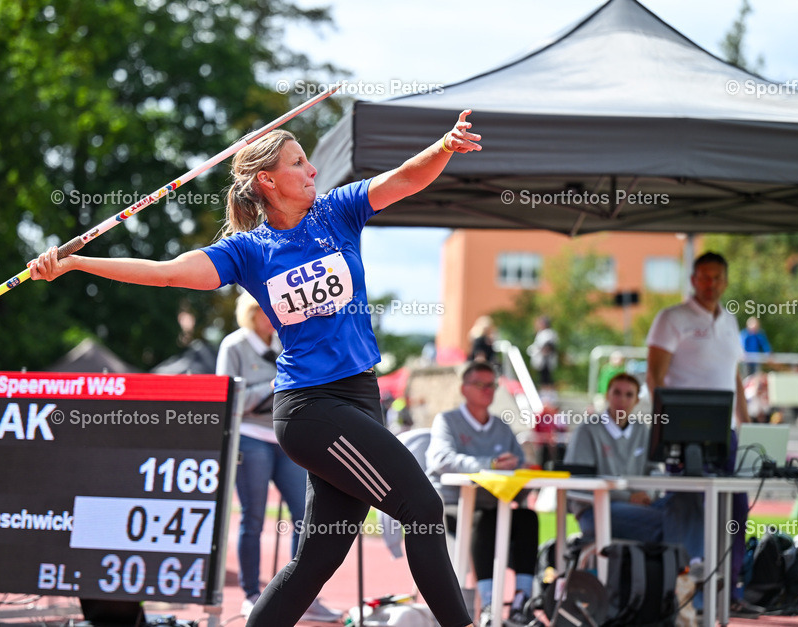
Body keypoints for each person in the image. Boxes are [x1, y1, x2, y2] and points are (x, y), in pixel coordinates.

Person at [30, 111, 483, 627]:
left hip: (361, 398)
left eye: (309, 161)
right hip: (311, 408)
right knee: (422, 507)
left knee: (316, 559)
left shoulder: (338, 212)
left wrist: (445, 145)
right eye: (299, 163)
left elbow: (404, 178)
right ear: (267, 180)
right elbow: (168, 275)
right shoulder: (248, 250)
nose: (313, 170)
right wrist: (78, 263)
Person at [646, 251, 760, 615]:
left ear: (725, 281)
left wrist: (748, 424)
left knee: (737, 507)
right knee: (690, 509)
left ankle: (729, 588)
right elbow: (655, 378)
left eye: (717, 277)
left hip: (724, 433)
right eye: (704, 277)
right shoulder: (671, 318)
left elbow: (735, 378)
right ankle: (685, 595)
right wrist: (666, 428)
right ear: (693, 280)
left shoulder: (730, 320)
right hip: (682, 434)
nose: (711, 284)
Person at [217, 292, 341, 621]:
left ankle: (303, 595)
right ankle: (251, 594)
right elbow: (227, 397)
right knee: (253, 518)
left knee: (306, 516)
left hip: (287, 438)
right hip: (249, 438)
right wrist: (271, 387)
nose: (274, 315)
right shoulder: (233, 346)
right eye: (266, 310)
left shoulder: (287, 342)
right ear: (251, 312)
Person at [426, 362, 538, 627]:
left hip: (494, 504)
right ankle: (489, 605)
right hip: (453, 504)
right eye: (480, 384)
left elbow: (519, 464)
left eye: (491, 385)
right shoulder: (447, 420)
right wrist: (491, 464)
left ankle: (523, 600)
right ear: (464, 389)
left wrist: (522, 471)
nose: (487, 390)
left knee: (527, 519)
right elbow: (441, 458)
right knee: (483, 520)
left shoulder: (501, 427)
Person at [563, 373, 702, 557]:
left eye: (629, 395)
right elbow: (579, 482)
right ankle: (682, 573)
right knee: (669, 521)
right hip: (597, 509)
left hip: (641, 506)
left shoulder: (641, 430)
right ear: (607, 396)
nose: (622, 399)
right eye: (617, 393)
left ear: (637, 400)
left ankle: (690, 569)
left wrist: (648, 495)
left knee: (692, 506)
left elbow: (653, 471)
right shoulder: (588, 430)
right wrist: (628, 497)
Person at [526, 316, 558, 391]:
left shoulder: (548, 333)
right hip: (541, 360)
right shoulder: (542, 333)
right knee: (542, 378)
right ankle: (545, 393)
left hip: (545, 360)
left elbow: (548, 346)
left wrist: (542, 352)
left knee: (546, 379)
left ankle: (547, 395)